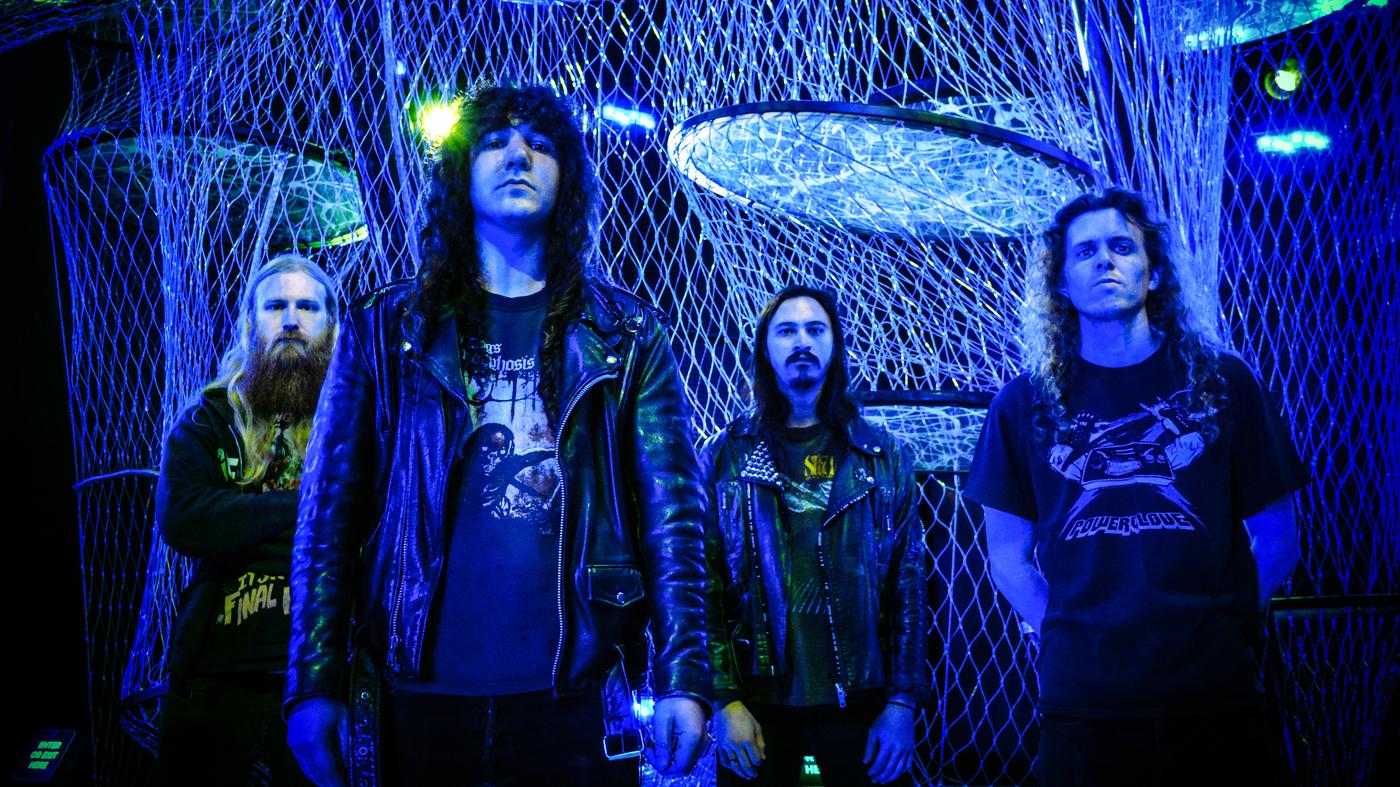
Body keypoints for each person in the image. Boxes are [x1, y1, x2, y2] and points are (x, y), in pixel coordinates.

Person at [283, 84, 710, 787]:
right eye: (495, 143)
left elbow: (676, 520)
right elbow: (327, 517)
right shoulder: (384, 330)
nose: (518, 155)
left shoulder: (629, 335)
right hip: (416, 694)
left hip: (574, 697)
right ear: (461, 174)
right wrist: (312, 682)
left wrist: (686, 676)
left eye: (540, 145)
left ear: (567, 178)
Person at [966, 187, 1306, 786]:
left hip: (1218, 697)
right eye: (1086, 251)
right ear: (1061, 282)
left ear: (1154, 272)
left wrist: (1222, 628)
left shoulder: (1226, 384)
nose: (1106, 260)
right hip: (1085, 703)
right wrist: (1072, 635)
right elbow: (1007, 560)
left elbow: (1279, 540)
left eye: (1122, 247)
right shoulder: (1021, 404)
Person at [701, 285, 929, 786]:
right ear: (766, 349)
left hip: (864, 705)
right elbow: (705, 585)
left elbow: (908, 584)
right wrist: (725, 700)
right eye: (786, 330)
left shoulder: (884, 455)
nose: (801, 341)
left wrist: (901, 702)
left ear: (835, 345)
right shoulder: (724, 456)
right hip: (757, 708)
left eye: (814, 329)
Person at [154, 254, 340, 786]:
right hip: (216, 670)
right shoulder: (208, 417)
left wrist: (240, 523)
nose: (291, 320)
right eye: (275, 306)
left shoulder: (360, 418)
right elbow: (186, 521)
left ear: (331, 324)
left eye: (308, 307)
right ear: (251, 322)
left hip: (325, 674)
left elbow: (372, 526)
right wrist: (311, 508)